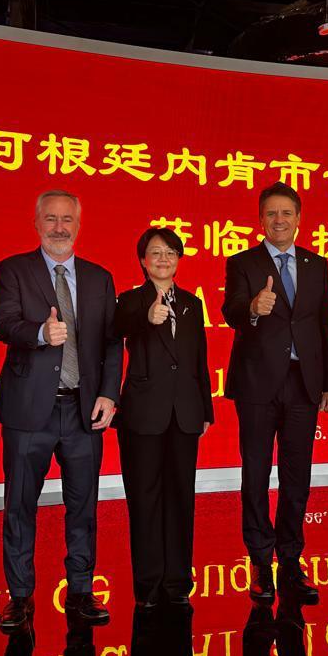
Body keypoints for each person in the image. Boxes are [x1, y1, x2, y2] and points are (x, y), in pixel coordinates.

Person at [0, 190, 122, 629]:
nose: (59, 227)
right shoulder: (13, 270)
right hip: (30, 411)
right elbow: (3, 323)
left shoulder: (100, 278)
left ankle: (81, 590)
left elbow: (111, 342)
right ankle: (21, 596)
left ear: (79, 224)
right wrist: (41, 333)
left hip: (85, 410)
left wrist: (109, 394)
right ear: (36, 222)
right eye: (51, 219)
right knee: (20, 505)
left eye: (67, 219)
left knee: (82, 505)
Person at [222, 182, 328, 605]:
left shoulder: (316, 264)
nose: (279, 220)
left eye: (286, 213)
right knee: (255, 474)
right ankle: (259, 561)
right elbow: (230, 309)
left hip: (303, 383)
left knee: (297, 476)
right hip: (257, 383)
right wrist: (252, 309)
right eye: (271, 214)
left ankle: (291, 560)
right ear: (260, 220)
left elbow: (325, 324)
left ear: (298, 218)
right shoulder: (243, 263)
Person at [114, 227, 214, 610]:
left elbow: (198, 361)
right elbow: (117, 329)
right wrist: (147, 318)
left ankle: (177, 580)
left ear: (178, 259)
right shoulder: (129, 301)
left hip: (185, 414)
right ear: (143, 260)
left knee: (180, 497)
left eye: (170, 252)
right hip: (143, 416)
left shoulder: (192, 304)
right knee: (144, 498)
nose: (163, 259)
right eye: (155, 253)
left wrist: (205, 408)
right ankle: (148, 583)